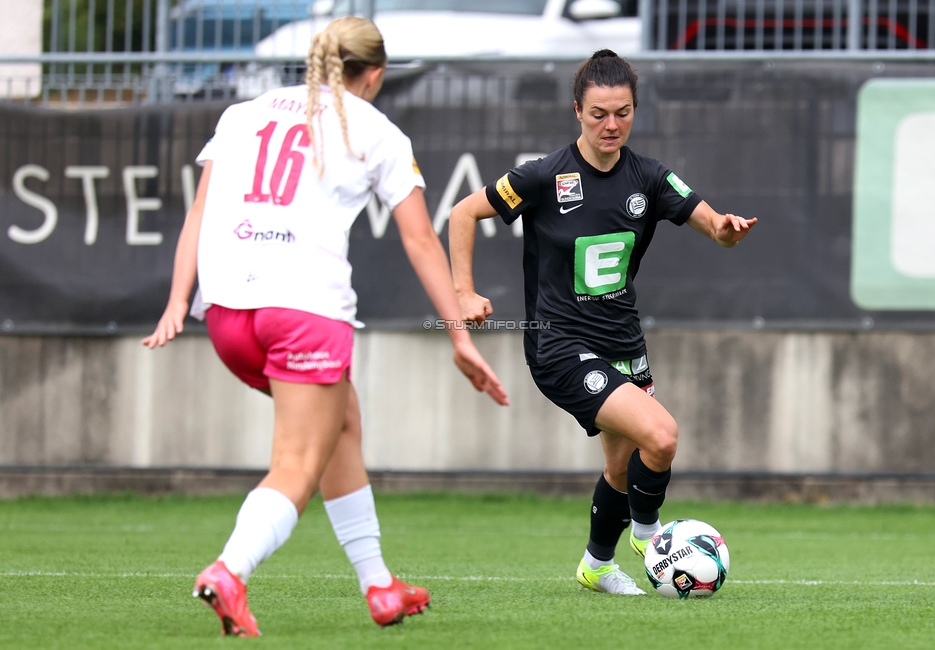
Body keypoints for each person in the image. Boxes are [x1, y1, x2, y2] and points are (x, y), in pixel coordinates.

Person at [143, 16, 508, 636]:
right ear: (377, 74)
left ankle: (380, 587)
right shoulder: (378, 130)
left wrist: (179, 299)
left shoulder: (242, 113)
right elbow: (421, 240)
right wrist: (459, 336)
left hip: (229, 314)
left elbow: (201, 210)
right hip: (304, 313)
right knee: (295, 464)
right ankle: (229, 571)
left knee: (343, 420)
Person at [449, 50, 755, 596]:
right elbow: (462, 212)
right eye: (598, 114)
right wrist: (463, 292)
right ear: (577, 111)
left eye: (623, 112)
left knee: (622, 468)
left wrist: (727, 230)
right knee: (661, 436)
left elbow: (712, 223)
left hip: (624, 344)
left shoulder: (650, 178)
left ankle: (595, 566)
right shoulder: (543, 176)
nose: (611, 125)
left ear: (635, 110)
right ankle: (651, 537)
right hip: (559, 345)